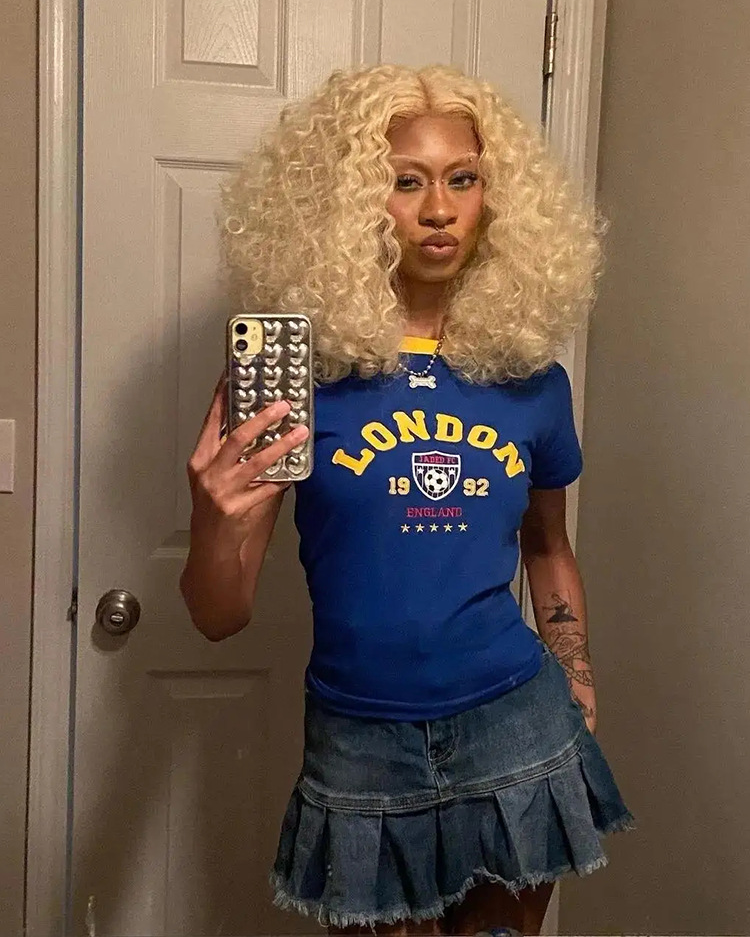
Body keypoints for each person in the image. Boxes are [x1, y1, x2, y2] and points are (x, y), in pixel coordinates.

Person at [180, 64, 634, 936]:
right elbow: (218, 617)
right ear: (354, 202)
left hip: (514, 723)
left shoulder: (530, 378)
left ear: (494, 199)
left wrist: (576, 672)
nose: (438, 211)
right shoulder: (298, 378)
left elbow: (547, 546)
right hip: (362, 743)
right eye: (406, 181)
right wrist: (210, 514)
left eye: (462, 179)